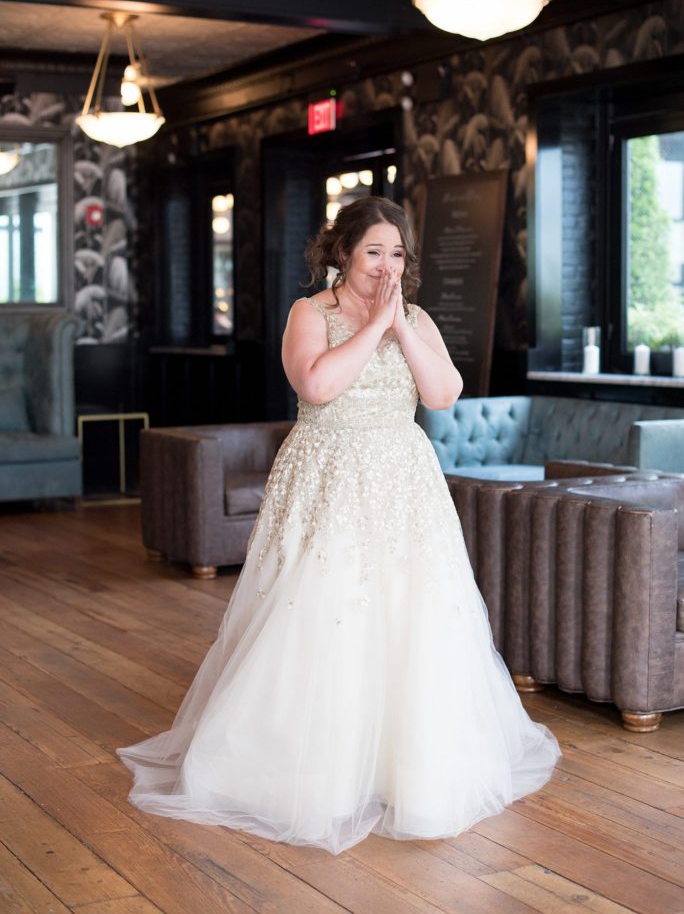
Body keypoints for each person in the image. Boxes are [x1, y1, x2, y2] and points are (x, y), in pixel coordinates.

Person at [118, 196, 560, 855]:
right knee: (324, 614)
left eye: (398, 253)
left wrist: (400, 328)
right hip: (328, 472)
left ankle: (408, 772)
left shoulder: (415, 317)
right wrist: (370, 327)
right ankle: (312, 775)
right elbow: (317, 385)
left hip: (404, 478)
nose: (386, 264)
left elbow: (442, 395)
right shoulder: (310, 314)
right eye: (373, 251)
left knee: (414, 618)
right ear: (344, 254)